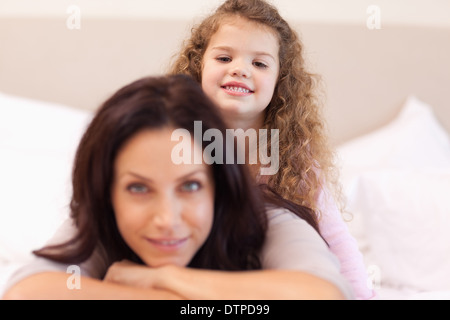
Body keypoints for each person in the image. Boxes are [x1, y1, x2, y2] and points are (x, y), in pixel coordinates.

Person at [2, 74, 352, 300]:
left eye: (190, 186)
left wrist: (159, 278)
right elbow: (26, 293)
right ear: (107, 192)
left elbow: (324, 295)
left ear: (220, 185)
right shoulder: (102, 223)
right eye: (138, 189)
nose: (167, 219)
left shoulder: (265, 220)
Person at [168, 0, 374, 299]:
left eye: (259, 63)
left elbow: (337, 241)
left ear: (280, 82)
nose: (239, 69)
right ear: (199, 65)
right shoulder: (174, 140)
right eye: (224, 58)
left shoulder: (291, 157)